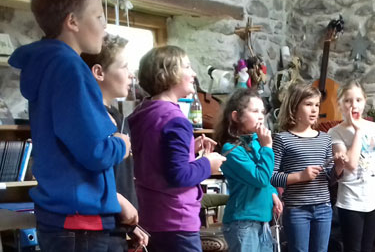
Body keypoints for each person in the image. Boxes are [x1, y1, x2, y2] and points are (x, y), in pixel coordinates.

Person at [8, 0, 130, 250]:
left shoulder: (50, 64)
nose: (104, 25)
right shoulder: (70, 69)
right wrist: (121, 144)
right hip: (80, 223)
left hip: (65, 219)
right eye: (99, 16)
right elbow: (95, 151)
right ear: (73, 22)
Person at [128, 45, 226, 251]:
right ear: (169, 73)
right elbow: (179, 175)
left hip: (151, 216)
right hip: (176, 219)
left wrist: (191, 148)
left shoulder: (144, 113)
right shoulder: (176, 119)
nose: (194, 73)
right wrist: (209, 163)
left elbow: (155, 156)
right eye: (188, 67)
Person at [81, 34, 149, 251]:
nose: (131, 74)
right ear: (99, 72)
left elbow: (118, 177)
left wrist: (128, 227)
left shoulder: (119, 119)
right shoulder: (85, 117)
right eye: (125, 67)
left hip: (114, 228)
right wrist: (118, 202)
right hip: (90, 232)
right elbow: (81, 176)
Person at [327, 80, 375, 252]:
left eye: (358, 100)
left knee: (368, 248)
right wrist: (358, 132)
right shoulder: (335, 132)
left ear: (364, 102)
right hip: (350, 202)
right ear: (340, 104)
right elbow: (351, 165)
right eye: (348, 100)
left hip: (374, 201)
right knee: (353, 249)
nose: (354, 105)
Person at [270, 84, 343, 252]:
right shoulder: (282, 139)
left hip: (324, 208)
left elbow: (330, 179)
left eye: (317, 105)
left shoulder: (325, 139)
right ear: (294, 107)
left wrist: (338, 168)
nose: (314, 110)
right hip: (297, 210)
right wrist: (300, 176)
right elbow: (272, 176)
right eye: (308, 104)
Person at [214, 88, 283, 252]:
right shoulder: (231, 149)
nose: (261, 116)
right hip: (242, 222)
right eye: (254, 111)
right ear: (236, 116)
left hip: (262, 220)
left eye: (262, 111)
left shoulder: (256, 143)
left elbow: (265, 176)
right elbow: (260, 178)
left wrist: (273, 192)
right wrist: (267, 147)